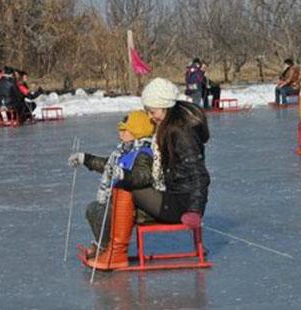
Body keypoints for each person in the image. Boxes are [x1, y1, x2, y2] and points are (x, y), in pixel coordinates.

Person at [68, 110, 155, 270]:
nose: (120, 133)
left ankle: (110, 250)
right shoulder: (125, 151)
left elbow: (143, 175)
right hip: (123, 203)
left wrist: (123, 174)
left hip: (139, 207)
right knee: (95, 209)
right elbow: (108, 166)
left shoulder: (144, 153)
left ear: (137, 132)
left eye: (125, 130)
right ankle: (104, 246)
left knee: (98, 211)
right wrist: (86, 159)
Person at [133, 77, 210, 230]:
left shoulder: (181, 132)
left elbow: (199, 174)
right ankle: (111, 245)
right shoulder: (169, 127)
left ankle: (116, 249)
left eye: (152, 111)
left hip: (182, 205)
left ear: (165, 106)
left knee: (129, 188)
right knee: (125, 184)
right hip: (173, 194)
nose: (149, 117)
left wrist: (195, 211)